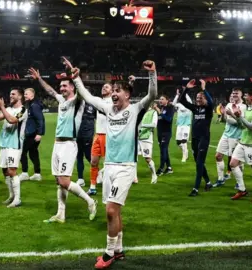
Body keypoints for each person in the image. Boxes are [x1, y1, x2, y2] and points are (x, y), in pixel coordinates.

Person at [68, 58, 157, 269]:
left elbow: (152, 95)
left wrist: (152, 73)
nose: (114, 93)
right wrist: (77, 79)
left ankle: (108, 253)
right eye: (113, 90)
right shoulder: (108, 110)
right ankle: (119, 250)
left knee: (109, 211)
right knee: (115, 211)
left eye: (118, 90)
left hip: (126, 167)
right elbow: (89, 98)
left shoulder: (135, 110)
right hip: (108, 167)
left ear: (127, 94)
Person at [28, 66, 97, 223]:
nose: (62, 88)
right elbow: (51, 91)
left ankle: (91, 202)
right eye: (61, 86)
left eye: (65, 86)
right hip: (57, 144)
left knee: (64, 181)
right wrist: (39, 79)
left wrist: (75, 74)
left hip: (69, 144)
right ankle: (61, 214)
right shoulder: (61, 100)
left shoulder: (78, 101)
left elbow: (81, 91)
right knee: (58, 181)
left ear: (72, 87)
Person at [0, 86, 28, 208]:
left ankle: (17, 199)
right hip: (5, 144)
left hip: (14, 144)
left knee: (12, 171)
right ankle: (11, 195)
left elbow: (11, 120)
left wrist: (1, 107)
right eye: (10, 94)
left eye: (13, 94)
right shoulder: (9, 108)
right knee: (5, 170)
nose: (10, 96)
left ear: (20, 96)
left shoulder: (23, 110)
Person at [227, 91, 252, 202]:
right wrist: (234, 116)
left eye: (246, 95)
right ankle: (242, 189)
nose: (244, 97)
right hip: (242, 141)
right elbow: (241, 124)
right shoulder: (246, 108)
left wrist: (239, 116)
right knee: (233, 164)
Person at [178, 79, 214, 196]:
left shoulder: (208, 110)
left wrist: (204, 89)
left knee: (199, 163)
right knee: (199, 163)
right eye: (197, 98)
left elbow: (211, 102)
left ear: (205, 99)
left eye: (200, 98)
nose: (198, 100)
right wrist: (187, 89)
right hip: (194, 138)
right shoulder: (195, 108)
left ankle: (196, 189)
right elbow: (181, 100)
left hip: (204, 138)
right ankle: (208, 182)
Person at [214, 88, 246, 187]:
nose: (234, 95)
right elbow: (224, 121)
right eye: (233, 93)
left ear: (241, 95)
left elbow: (241, 123)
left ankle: (239, 182)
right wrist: (223, 114)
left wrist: (230, 116)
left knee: (237, 161)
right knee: (218, 156)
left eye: (237, 93)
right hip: (226, 134)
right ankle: (220, 179)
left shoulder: (243, 107)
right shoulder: (229, 105)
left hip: (236, 136)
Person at [89, 83, 113, 195]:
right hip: (97, 135)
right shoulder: (98, 100)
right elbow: (87, 96)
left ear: (112, 91)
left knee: (109, 163)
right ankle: (92, 186)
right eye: (103, 86)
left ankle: (111, 187)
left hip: (108, 135)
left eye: (107, 87)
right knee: (93, 162)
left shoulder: (113, 101)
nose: (103, 87)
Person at [19, 88, 45, 182]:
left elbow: (40, 119)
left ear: (32, 95)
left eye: (26, 94)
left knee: (22, 152)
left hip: (32, 134)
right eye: (24, 94)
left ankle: (24, 173)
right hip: (32, 133)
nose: (24, 95)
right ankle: (37, 174)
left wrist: (39, 133)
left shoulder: (34, 106)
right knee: (33, 153)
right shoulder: (30, 105)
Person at [76, 101, 97, 187]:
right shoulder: (76, 104)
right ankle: (80, 179)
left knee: (89, 156)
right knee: (79, 156)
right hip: (77, 134)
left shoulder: (92, 105)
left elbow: (96, 119)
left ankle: (98, 172)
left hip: (87, 135)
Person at [137, 103, 159, 184]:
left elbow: (154, 125)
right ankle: (134, 177)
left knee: (147, 158)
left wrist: (142, 125)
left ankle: (154, 175)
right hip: (137, 137)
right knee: (133, 158)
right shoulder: (140, 112)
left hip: (147, 137)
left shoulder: (153, 112)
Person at [155, 95, 174, 176]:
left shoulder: (170, 108)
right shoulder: (161, 108)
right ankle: (169, 167)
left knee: (163, 151)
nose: (160, 100)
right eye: (160, 99)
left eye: (162, 99)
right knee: (164, 150)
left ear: (167, 100)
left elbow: (169, 119)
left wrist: (160, 112)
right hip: (160, 133)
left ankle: (161, 168)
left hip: (166, 133)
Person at [172, 87, 192, 162]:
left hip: (186, 125)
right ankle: (185, 150)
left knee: (184, 141)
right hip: (179, 125)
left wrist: (185, 92)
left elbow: (189, 100)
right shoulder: (179, 105)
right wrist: (177, 95)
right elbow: (173, 104)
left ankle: (184, 157)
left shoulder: (189, 106)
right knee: (178, 142)